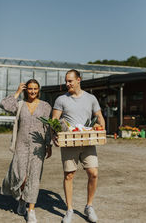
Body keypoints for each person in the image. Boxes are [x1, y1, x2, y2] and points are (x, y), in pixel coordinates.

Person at [52, 69, 105, 223]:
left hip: (88, 141)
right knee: (69, 175)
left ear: (78, 80)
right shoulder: (61, 99)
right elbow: (54, 120)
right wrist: (54, 135)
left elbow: (99, 117)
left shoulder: (91, 98)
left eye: (70, 81)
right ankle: (69, 210)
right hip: (69, 142)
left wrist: (101, 128)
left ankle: (89, 206)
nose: (67, 83)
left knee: (93, 173)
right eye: (66, 81)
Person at [0, 79, 52, 223]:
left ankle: (31, 210)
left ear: (39, 90)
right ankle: (22, 199)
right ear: (26, 90)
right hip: (21, 145)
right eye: (30, 89)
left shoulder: (45, 106)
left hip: (38, 147)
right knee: (20, 175)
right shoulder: (20, 105)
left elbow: (47, 128)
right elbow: (4, 105)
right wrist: (17, 92)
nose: (33, 91)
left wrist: (49, 145)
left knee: (34, 177)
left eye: (35, 89)